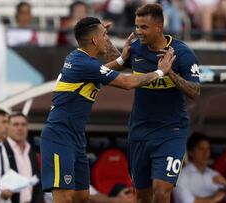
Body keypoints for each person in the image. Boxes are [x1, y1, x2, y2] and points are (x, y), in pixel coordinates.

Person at [40, 17, 176, 203]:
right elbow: (127, 83)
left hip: (75, 136)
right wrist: (160, 71)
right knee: (64, 197)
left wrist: (121, 59)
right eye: (104, 35)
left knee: (82, 196)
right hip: (59, 135)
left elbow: (101, 71)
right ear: (94, 40)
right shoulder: (84, 63)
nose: (107, 39)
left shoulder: (79, 59)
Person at [105, 4, 200, 203]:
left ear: (159, 26)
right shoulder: (137, 48)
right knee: (142, 196)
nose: (138, 32)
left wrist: (170, 73)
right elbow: (119, 64)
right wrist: (105, 42)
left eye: (144, 27)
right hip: (139, 130)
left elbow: (195, 91)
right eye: (137, 26)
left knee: (161, 188)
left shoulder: (182, 54)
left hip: (171, 131)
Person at [173, 132, 226, 203]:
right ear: (191, 152)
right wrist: (213, 199)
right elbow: (186, 201)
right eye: (201, 149)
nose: (206, 153)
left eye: (208, 149)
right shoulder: (182, 175)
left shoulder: (214, 174)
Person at [5, 112, 43, 203]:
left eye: (23, 124)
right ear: (8, 127)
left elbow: (38, 183)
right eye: (15, 124)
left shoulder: (32, 152)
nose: (20, 128)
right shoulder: (2, 149)